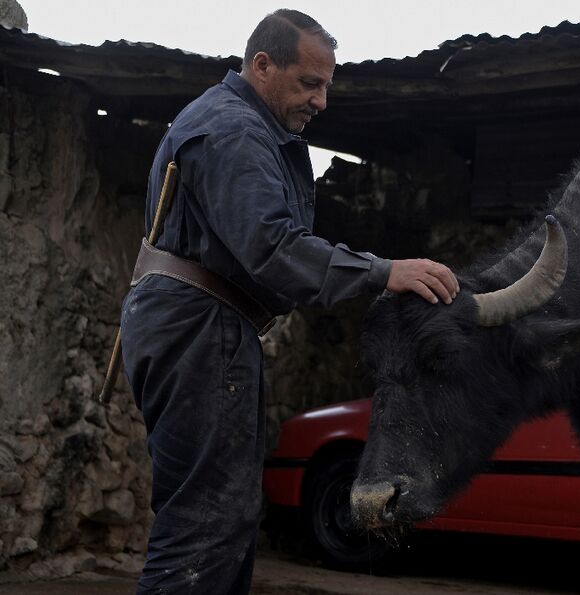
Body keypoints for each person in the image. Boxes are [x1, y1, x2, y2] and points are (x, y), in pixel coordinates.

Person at [120, 9, 459, 594]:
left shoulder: (232, 124)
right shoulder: (234, 131)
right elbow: (272, 246)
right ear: (262, 66)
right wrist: (384, 271)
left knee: (221, 521)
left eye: (327, 85)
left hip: (198, 328)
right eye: (309, 83)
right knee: (205, 526)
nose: (321, 101)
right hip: (200, 330)